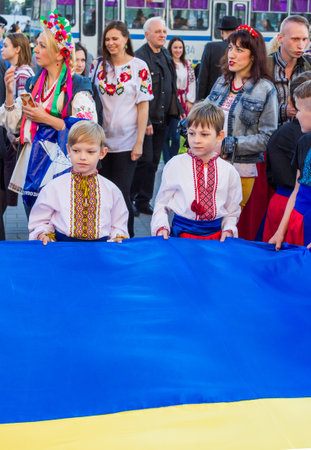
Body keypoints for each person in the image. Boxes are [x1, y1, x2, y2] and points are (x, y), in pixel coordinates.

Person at [0, 9, 97, 217]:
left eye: (42, 46)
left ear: (59, 53)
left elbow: (89, 131)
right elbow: (12, 124)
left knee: (60, 227)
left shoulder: (77, 85)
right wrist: (9, 95)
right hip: (32, 166)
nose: (35, 49)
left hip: (62, 168)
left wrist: (46, 119)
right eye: (37, 44)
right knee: (35, 225)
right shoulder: (34, 82)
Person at [89, 21, 153, 238]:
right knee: (101, 193)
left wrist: (139, 142)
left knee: (121, 192)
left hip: (127, 143)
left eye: (115, 38)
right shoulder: (97, 65)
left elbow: (143, 107)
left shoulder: (139, 67)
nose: (110, 43)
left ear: (126, 39)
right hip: (99, 142)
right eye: (107, 39)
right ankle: (104, 235)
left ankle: (126, 238)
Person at [207, 25, 278, 211]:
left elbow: (268, 137)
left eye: (239, 50)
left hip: (240, 169)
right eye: (230, 48)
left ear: (253, 56)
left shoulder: (265, 89)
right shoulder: (222, 82)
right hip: (208, 163)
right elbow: (203, 113)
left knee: (227, 222)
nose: (232, 54)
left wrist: (228, 144)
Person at [151, 101, 242, 240]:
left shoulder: (229, 172)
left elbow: (232, 211)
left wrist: (228, 229)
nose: (196, 140)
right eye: (192, 133)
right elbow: (161, 204)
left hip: (215, 239)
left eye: (204, 134)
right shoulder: (175, 165)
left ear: (219, 136)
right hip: (181, 237)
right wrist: (161, 227)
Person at [28, 121, 129, 244]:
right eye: (76, 150)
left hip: (99, 251)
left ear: (102, 153)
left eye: (90, 152)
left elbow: (119, 223)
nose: (82, 157)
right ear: (68, 150)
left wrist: (118, 236)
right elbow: (39, 219)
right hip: (63, 249)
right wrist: (43, 234)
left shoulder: (111, 190)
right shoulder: (54, 187)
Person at [131, 17, 184, 216]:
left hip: (164, 118)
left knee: (153, 162)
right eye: (158, 32)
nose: (162, 35)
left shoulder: (166, 56)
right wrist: (146, 120)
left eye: (164, 31)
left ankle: (144, 201)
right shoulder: (139, 58)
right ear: (146, 35)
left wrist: (176, 111)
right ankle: (131, 198)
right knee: (143, 160)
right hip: (147, 121)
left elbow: (171, 88)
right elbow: (137, 93)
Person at [263, 71, 311, 242]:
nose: (295, 115)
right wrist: (280, 231)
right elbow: (297, 191)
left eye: (298, 110)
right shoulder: (303, 143)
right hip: (297, 218)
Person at [1, 32, 34, 210]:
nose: (2, 49)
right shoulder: (19, 71)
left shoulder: (23, 74)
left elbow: (25, 109)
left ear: (17, 49)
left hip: (19, 138)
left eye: (6, 46)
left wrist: (14, 131)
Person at [268, 15, 311, 126]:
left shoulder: (308, 67)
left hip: (300, 138)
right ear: (280, 38)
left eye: (304, 39)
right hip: (268, 138)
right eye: (295, 39)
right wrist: (283, 111)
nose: (301, 45)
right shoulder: (264, 66)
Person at [162, 37, 195, 163]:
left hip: (181, 101)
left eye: (180, 47)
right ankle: (167, 162)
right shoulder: (167, 63)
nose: (178, 50)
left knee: (176, 136)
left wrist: (190, 100)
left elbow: (191, 82)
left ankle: (173, 160)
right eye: (175, 47)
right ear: (170, 48)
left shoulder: (187, 64)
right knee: (165, 136)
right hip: (168, 102)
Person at [197, 16, 238, 100]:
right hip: (233, 100)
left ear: (221, 32)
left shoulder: (210, 47)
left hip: (212, 99)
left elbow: (202, 78)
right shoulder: (242, 51)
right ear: (236, 32)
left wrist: (199, 100)